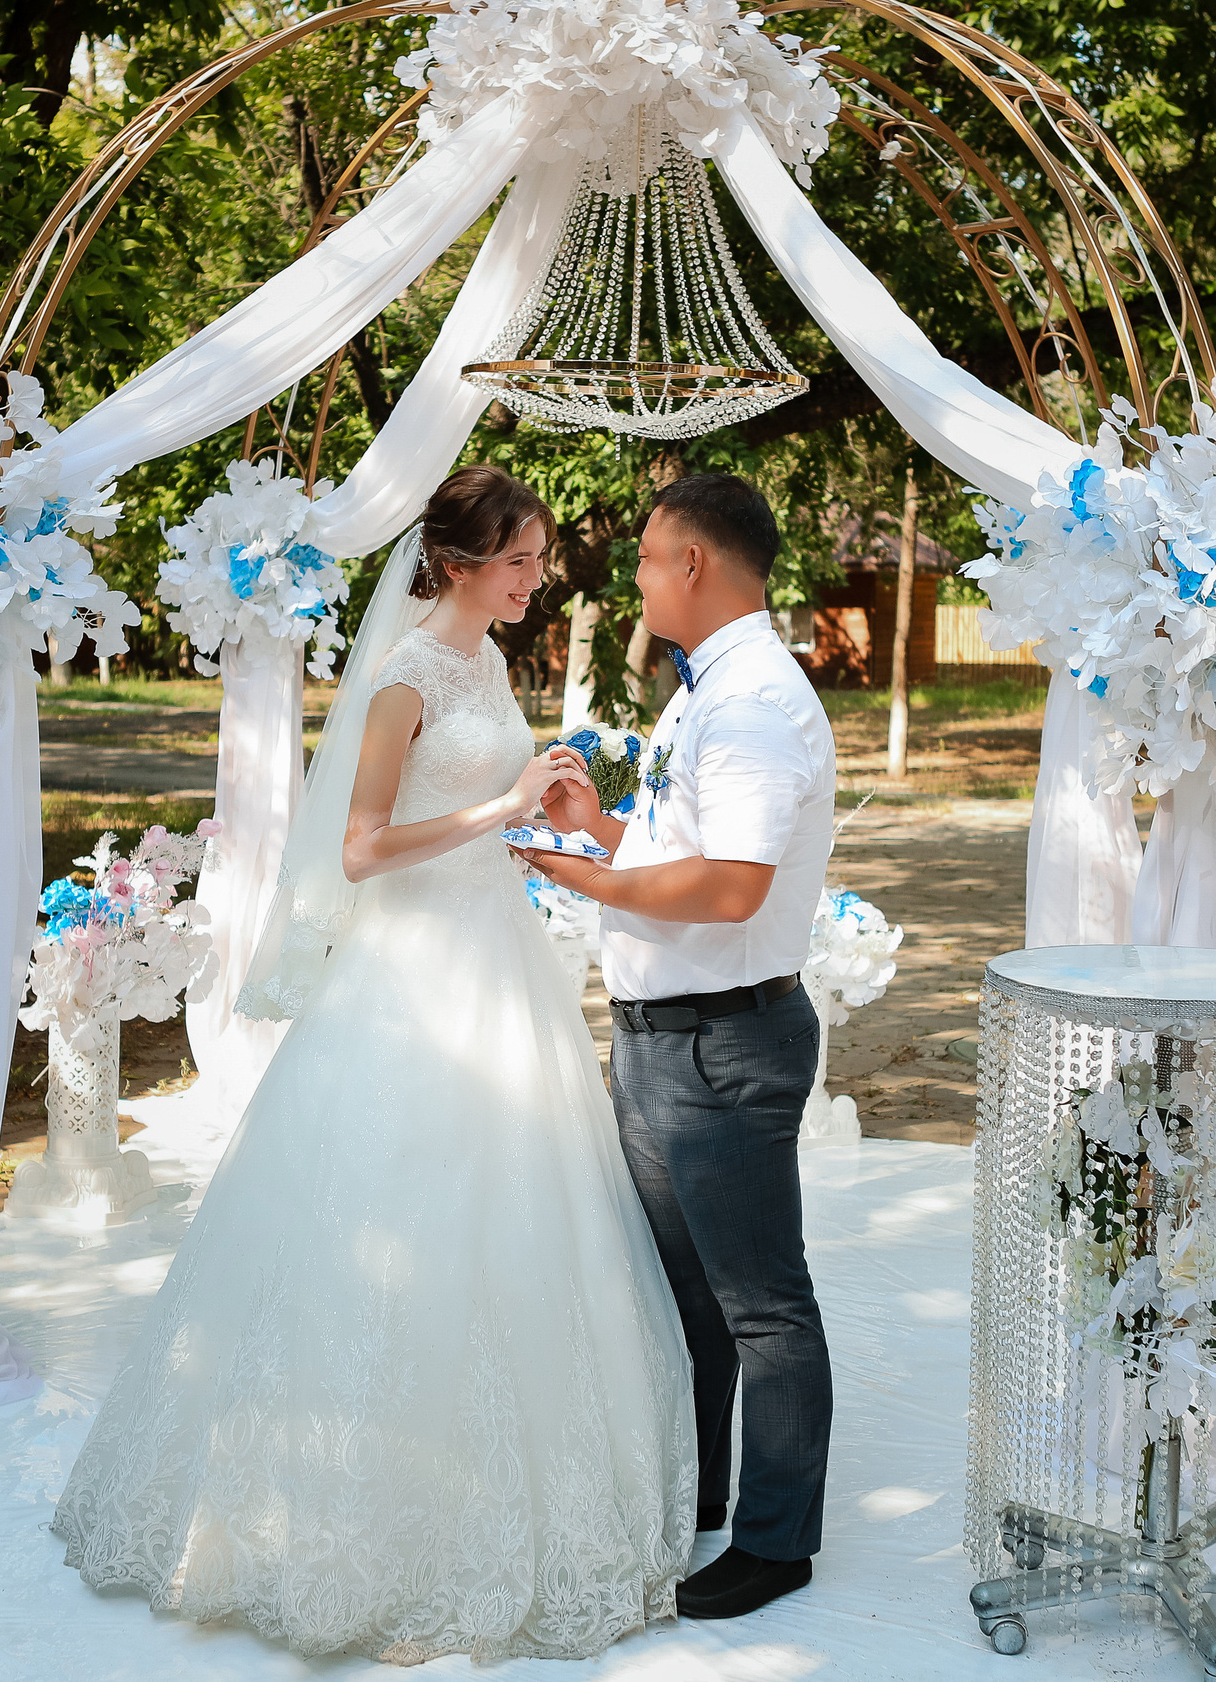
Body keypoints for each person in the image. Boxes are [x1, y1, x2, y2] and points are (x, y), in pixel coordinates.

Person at [50, 465, 696, 1664]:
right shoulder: (399, 680)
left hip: (496, 961)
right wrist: (497, 807)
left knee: (523, 1211)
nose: (533, 579)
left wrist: (541, 791)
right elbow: (357, 851)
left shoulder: (490, 664)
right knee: (385, 1208)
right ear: (454, 563)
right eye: (517, 562)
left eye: (537, 561)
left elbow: (488, 796)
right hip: (410, 979)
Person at [519, 472, 839, 1622]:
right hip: (665, 1037)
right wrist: (596, 830)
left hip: (722, 1044)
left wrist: (589, 877)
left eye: (648, 557)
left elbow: (733, 886)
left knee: (759, 1302)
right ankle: (695, 1496)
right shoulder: (706, 691)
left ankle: (775, 1541)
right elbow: (679, 844)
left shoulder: (750, 702)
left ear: (692, 563)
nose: (637, 575)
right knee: (682, 1294)